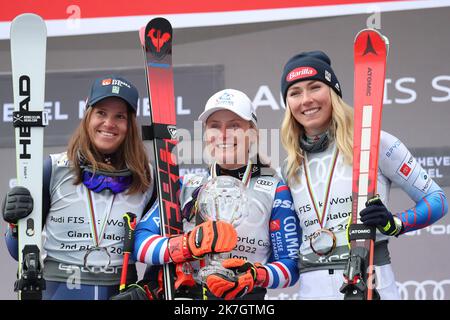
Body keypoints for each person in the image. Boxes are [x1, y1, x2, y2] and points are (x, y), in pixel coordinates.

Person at [278, 50, 448, 300]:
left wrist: (395, 223)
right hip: (311, 287)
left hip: (370, 277)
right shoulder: (289, 166)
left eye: (315, 87)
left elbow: (437, 199)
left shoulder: (373, 142)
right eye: (295, 92)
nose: (306, 100)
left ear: (333, 92)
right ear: (288, 103)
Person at [132, 89, 300, 300]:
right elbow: (140, 243)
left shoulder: (275, 189)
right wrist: (186, 245)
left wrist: (255, 275)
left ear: (253, 133)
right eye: (214, 126)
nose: (223, 135)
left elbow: (290, 268)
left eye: (234, 126)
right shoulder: (185, 186)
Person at [2, 75, 154, 300]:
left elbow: (161, 247)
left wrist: (146, 289)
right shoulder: (53, 169)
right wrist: (16, 225)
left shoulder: (147, 177)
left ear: (129, 123)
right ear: (87, 114)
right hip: (58, 290)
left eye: (119, 116)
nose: (109, 123)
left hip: (119, 291)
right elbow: (18, 252)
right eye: (101, 113)